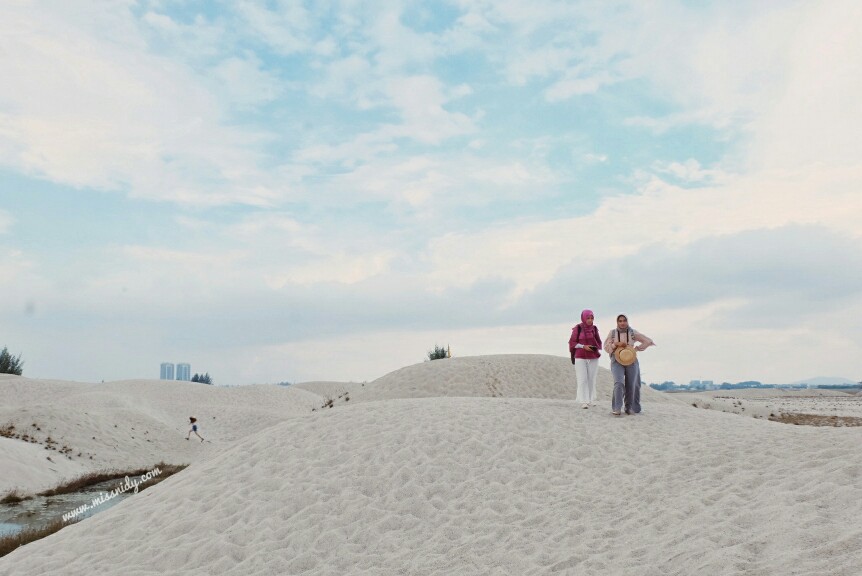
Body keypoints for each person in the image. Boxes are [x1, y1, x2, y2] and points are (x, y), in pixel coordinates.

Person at [603, 314, 655, 416]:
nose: (622, 323)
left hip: (631, 359)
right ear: (617, 322)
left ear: (627, 321)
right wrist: (615, 344)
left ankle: (629, 407)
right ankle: (617, 408)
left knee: (632, 384)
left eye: (624, 320)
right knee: (618, 382)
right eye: (620, 321)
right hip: (616, 359)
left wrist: (636, 349)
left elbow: (648, 341)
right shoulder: (613, 333)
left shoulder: (632, 332)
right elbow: (606, 347)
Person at [569, 309, 603, 409]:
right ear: (583, 318)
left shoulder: (594, 328)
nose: (590, 320)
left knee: (591, 379)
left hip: (593, 356)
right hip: (580, 356)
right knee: (582, 379)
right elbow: (572, 343)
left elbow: (598, 341)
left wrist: (594, 347)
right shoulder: (577, 328)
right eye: (588, 318)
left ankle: (590, 399)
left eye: (592, 318)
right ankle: (584, 401)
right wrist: (583, 346)